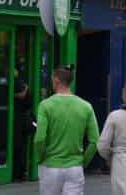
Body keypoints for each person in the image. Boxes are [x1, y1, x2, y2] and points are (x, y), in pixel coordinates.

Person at [34, 66, 99, 195]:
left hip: (50, 166)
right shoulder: (86, 106)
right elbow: (94, 140)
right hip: (75, 167)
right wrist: (82, 161)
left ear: (56, 80)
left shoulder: (45, 105)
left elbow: (40, 138)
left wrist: (41, 157)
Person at [12, 66, 31, 181]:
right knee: (18, 146)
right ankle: (19, 173)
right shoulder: (19, 83)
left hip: (17, 119)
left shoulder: (16, 82)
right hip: (19, 118)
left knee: (17, 146)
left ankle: (18, 172)